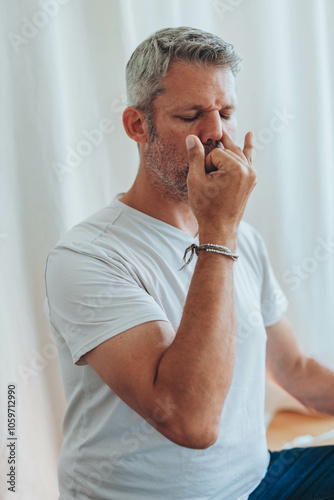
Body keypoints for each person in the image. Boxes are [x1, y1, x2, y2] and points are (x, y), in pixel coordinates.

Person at [44, 26, 334, 500]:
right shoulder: (87, 257)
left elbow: (296, 369)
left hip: (256, 482)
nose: (217, 133)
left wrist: (225, 228)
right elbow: (189, 420)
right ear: (138, 126)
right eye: (192, 114)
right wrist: (218, 231)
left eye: (225, 112)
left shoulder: (245, 238)